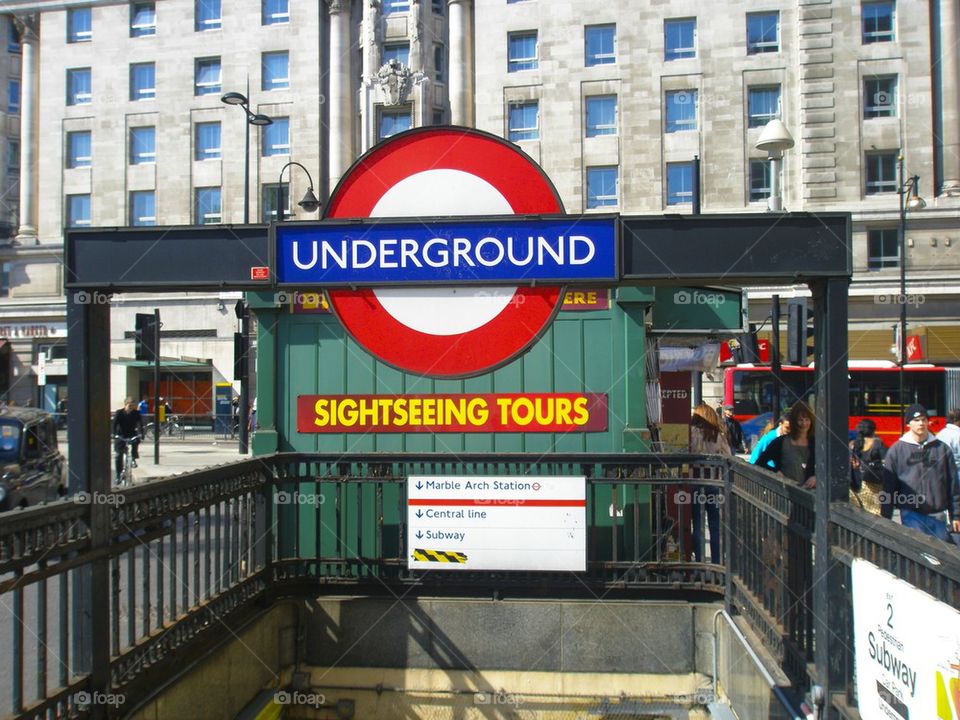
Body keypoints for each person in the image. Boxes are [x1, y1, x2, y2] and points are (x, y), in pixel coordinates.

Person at [881, 404, 960, 541]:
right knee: (920, 555)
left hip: (938, 513)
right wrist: (886, 517)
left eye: (924, 419)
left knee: (940, 557)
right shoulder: (896, 450)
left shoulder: (942, 449)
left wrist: (956, 515)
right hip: (911, 513)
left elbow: (953, 484)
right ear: (908, 424)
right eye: (916, 420)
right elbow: (889, 486)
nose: (921, 423)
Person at [687, 403, 732, 563]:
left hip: (694, 483)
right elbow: (728, 456)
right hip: (713, 483)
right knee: (715, 526)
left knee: (697, 525)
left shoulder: (689, 433)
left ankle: (699, 562)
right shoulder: (717, 435)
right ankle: (716, 562)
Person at [756, 401, 816, 488]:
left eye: (807, 419)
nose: (804, 423)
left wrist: (816, 477)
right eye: (800, 420)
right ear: (794, 422)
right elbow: (759, 462)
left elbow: (827, 467)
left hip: (810, 495)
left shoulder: (815, 443)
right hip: (784, 493)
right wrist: (775, 472)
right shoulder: (779, 442)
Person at [849, 418, 886, 515]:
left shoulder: (853, 444)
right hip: (873, 484)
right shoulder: (877, 443)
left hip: (856, 483)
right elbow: (886, 462)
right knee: (874, 513)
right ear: (874, 430)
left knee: (859, 513)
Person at [113, 397, 144, 483]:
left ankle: (133, 457)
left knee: (136, 441)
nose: (131, 408)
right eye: (129, 406)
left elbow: (139, 424)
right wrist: (114, 434)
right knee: (118, 455)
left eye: (132, 406)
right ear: (125, 405)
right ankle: (118, 474)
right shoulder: (119, 413)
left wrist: (140, 433)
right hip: (121, 435)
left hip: (131, 433)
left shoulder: (136, 413)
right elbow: (114, 424)